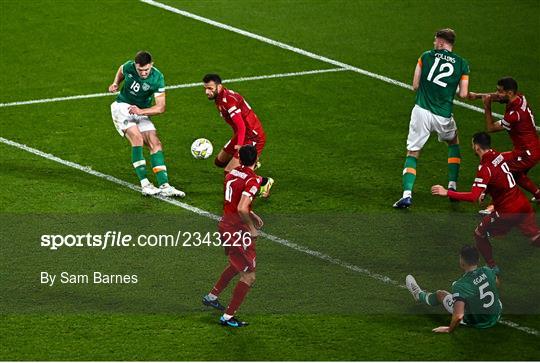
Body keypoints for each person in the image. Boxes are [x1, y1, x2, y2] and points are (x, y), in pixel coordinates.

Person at [431, 132, 540, 271]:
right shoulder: (498, 155)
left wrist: (447, 192)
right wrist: (486, 191)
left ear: (476, 147)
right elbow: (498, 177)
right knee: (535, 236)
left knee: (479, 234)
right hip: (522, 203)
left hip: (507, 211)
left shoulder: (485, 168)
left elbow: (474, 197)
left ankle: (493, 268)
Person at [394, 28, 471, 209]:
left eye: (436, 41)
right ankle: (452, 186)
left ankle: (406, 195)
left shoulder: (426, 57)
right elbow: (464, 94)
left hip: (421, 111)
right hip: (443, 115)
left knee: (413, 152)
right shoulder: (462, 64)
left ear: (442, 42)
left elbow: (415, 86)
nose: (434, 44)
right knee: (453, 143)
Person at [202, 145, 264, 327]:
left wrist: (252, 214)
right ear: (256, 159)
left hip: (225, 226)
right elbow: (241, 207)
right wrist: (252, 228)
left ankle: (212, 296)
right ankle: (228, 317)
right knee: (249, 276)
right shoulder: (252, 180)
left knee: (237, 265)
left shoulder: (233, 173)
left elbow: (234, 202)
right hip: (238, 231)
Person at [108, 51, 184, 197]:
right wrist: (116, 83)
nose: (143, 73)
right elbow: (121, 69)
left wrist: (141, 111)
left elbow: (161, 107)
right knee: (137, 138)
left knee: (155, 143)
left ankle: (164, 185)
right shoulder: (130, 66)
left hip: (140, 111)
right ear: (135, 66)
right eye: (140, 70)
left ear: (152, 65)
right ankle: (145, 184)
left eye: (146, 70)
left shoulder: (157, 78)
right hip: (122, 106)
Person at [202, 73, 273, 198]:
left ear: (219, 87)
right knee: (219, 162)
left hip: (252, 136)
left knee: (230, 172)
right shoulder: (219, 98)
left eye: (210, 89)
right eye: (205, 88)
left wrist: (240, 146)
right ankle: (250, 165)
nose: (207, 92)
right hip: (242, 134)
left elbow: (241, 126)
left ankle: (264, 182)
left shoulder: (228, 101)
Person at [471, 77, 540, 203]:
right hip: (532, 148)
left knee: (497, 166)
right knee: (516, 174)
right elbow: (498, 97)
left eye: (500, 91)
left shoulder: (514, 115)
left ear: (509, 93)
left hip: (526, 154)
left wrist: (487, 106)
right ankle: (538, 194)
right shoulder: (519, 97)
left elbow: (490, 128)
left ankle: (495, 204)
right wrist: (477, 96)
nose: (497, 94)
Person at [406, 245, 502, 333]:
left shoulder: (460, 285)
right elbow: (496, 283)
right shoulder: (487, 271)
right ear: (478, 259)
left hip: (477, 322)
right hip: (496, 314)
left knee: (440, 294)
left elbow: (458, 316)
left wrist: (449, 329)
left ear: (462, 262)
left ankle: (418, 294)